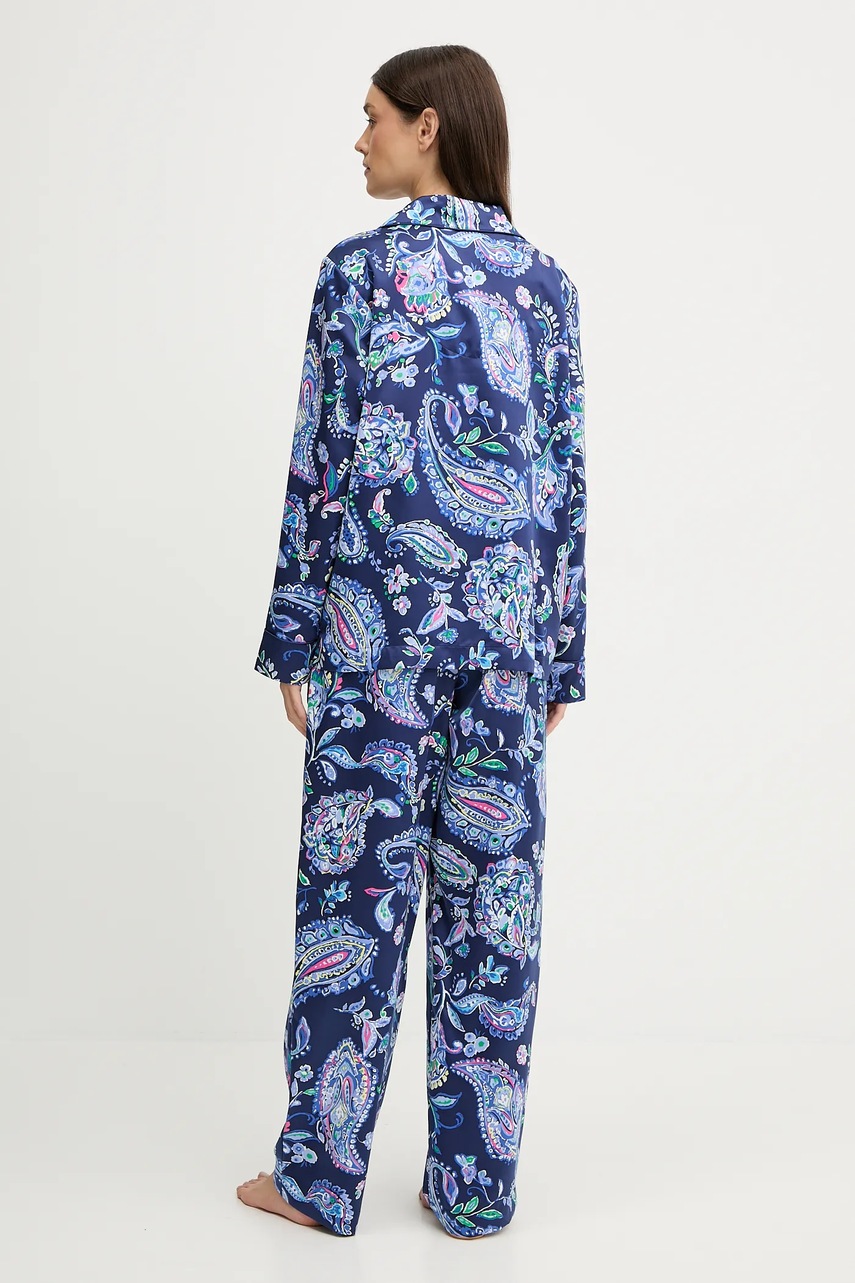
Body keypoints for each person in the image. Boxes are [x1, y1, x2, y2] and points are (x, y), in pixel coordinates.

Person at [237, 43, 587, 1239]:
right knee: (495, 914)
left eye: (374, 117)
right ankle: (475, 1191)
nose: (361, 138)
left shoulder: (354, 275)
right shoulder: (547, 285)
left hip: (374, 638)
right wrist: (560, 651)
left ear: (428, 126)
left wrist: (296, 635)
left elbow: (318, 464)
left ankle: (320, 1178)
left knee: (353, 904)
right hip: (504, 648)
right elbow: (562, 483)